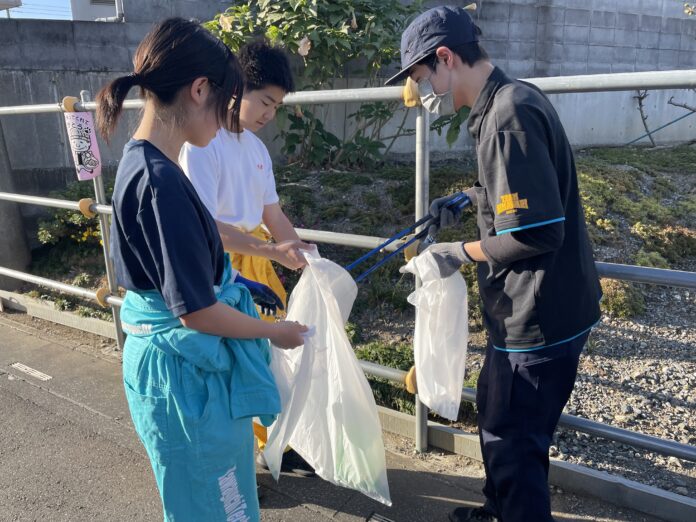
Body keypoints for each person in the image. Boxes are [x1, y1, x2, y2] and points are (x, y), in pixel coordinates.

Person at [386, 6, 602, 522]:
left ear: (444, 58)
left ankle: (516, 512)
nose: (423, 93)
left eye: (421, 78)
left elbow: (537, 231)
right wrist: (464, 199)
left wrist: (456, 253)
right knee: (496, 412)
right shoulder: (508, 101)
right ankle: (497, 509)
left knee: (513, 439)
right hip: (538, 309)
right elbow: (515, 192)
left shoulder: (507, 117)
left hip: (540, 315)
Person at [96, 18, 308, 521]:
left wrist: (249, 277)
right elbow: (196, 312)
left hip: (181, 372)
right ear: (198, 90)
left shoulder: (148, 163)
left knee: (208, 503)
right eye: (227, 98)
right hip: (187, 378)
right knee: (219, 506)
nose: (227, 115)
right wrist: (274, 331)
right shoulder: (160, 181)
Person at [180, 39, 315, 477]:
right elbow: (203, 226)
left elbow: (271, 212)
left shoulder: (255, 150)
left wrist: (298, 252)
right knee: (234, 365)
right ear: (235, 87)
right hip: (219, 267)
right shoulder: (203, 144)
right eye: (265, 102)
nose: (268, 115)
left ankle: (272, 444)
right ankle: (240, 459)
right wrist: (272, 249)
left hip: (256, 262)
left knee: (269, 357)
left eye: (276, 107)